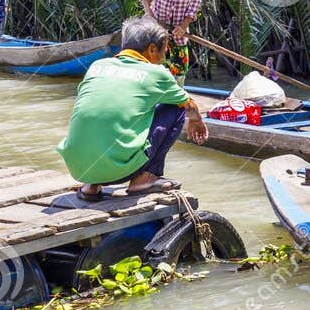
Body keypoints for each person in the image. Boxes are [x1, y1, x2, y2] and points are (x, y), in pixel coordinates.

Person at [58, 17, 210, 201]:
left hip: (78, 168)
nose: (163, 58)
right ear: (152, 49)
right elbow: (189, 106)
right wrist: (197, 121)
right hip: (118, 171)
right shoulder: (157, 73)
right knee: (175, 108)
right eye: (164, 51)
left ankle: (91, 186)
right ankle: (144, 180)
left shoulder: (97, 66)